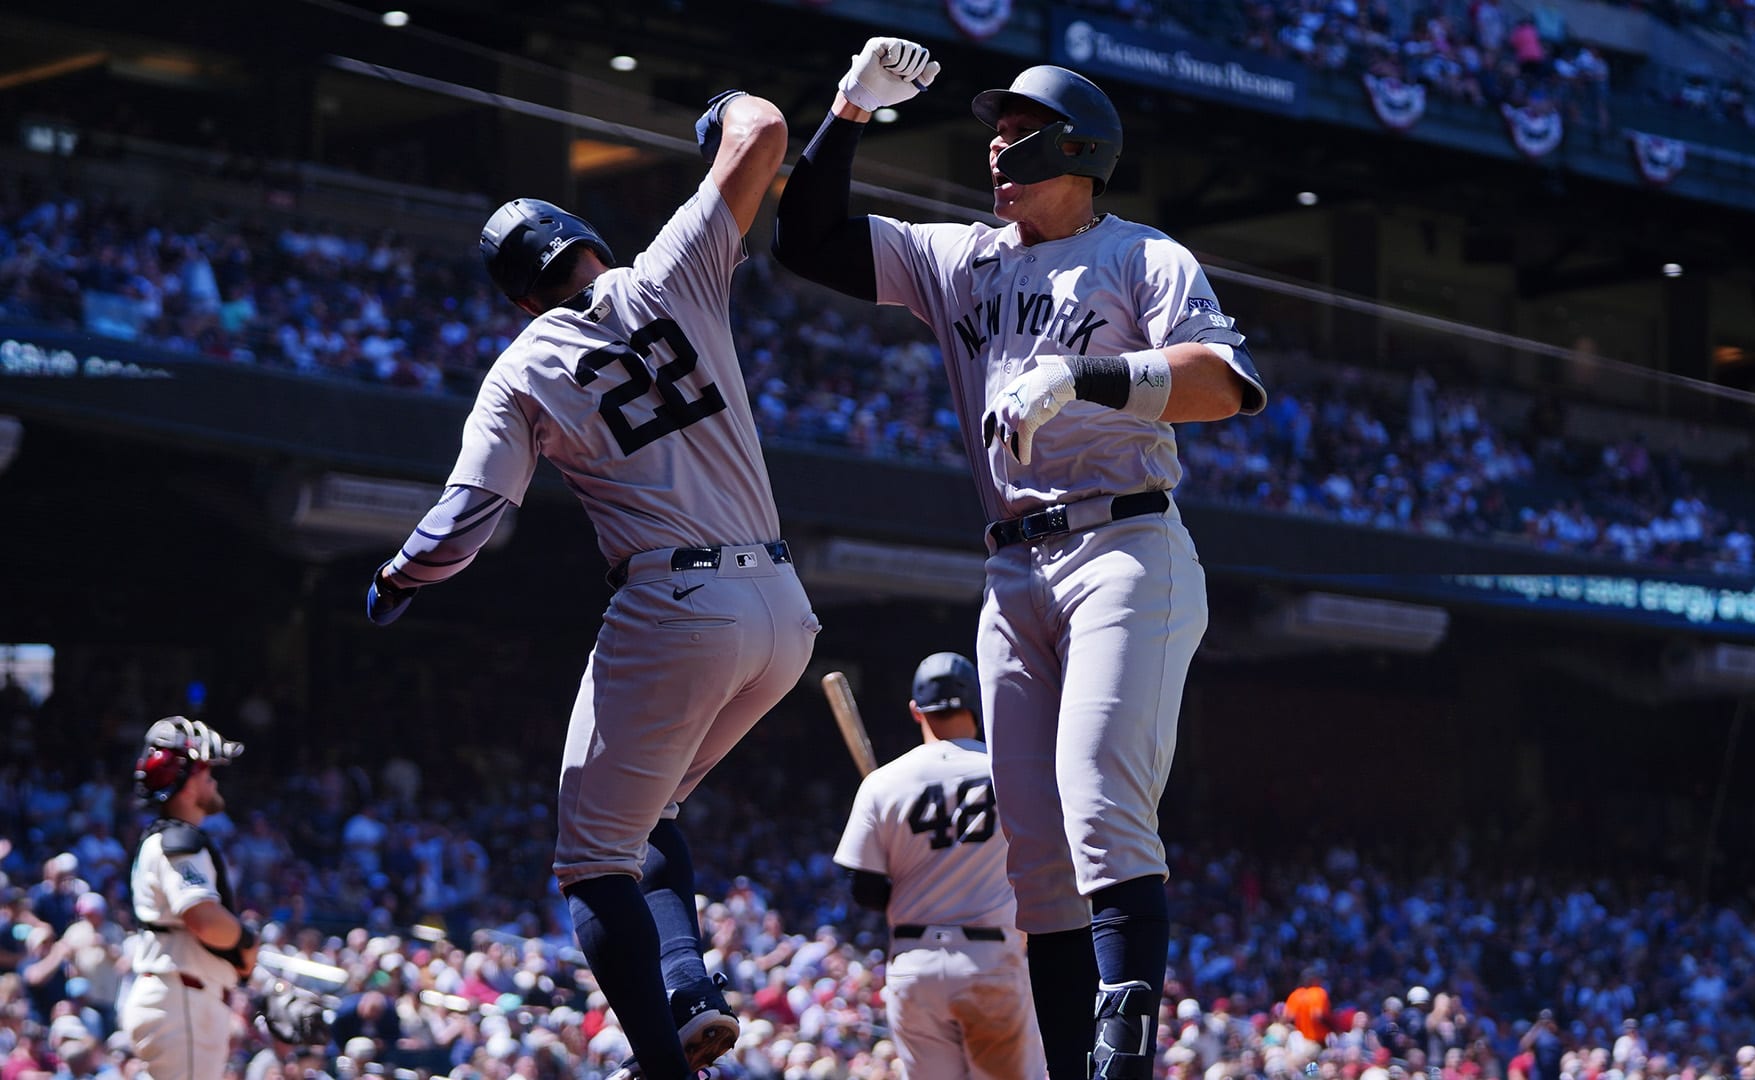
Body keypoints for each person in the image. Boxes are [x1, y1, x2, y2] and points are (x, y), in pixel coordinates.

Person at [775, 40, 1266, 1079]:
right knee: (1035, 855)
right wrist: (848, 112)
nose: (997, 153)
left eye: (1021, 138)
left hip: (1125, 541)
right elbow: (806, 241)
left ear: (1081, 151)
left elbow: (1222, 384)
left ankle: (1124, 1052)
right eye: (993, 137)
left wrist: (1083, 378)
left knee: (1096, 796)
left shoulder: (1143, 255)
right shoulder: (965, 256)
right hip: (1013, 565)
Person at [364, 87, 817, 1080]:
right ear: (587, 243)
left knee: (589, 860)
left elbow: (470, 519)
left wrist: (401, 577)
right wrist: (723, 112)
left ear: (517, 294)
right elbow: (766, 129)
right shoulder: (670, 273)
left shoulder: (522, 365)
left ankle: (661, 1065)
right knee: (643, 820)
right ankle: (692, 991)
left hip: (679, 603)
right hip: (785, 611)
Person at [832, 652, 1043, 1079]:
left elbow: (863, 890)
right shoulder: (1011, 774)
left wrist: (916, 881)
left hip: (915, 964)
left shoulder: (884, 782)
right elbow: (1045, 865)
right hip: (989, 960)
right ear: (977, 705)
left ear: (916, 710)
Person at [121, 717, 259, 1080]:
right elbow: (202, 917)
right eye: (205, 770)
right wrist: (246, 941)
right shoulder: (178, 841)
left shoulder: (167, 839)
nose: (213, 778)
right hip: (180, 997)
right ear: (185, 782)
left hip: (178, 996)